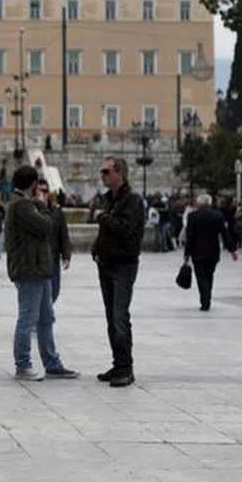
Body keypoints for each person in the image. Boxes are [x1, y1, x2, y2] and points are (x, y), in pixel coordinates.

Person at [5, 166, 78, 381]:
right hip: (30, 270)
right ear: (33, 184)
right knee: (28, 319)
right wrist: (44, 207)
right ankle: (23, 365)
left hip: (39, 269)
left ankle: (52, 362)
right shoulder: (23, 206)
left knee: (46, 318)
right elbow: (46, 226)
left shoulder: (24, 204)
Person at [92, 157, 146, 388]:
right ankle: (118, 363)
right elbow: (107, 232)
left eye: (106, 171)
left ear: (119, 173)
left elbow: (124, 228)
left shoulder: (132, 201)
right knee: (111, 318)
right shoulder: (109, 199)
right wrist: (96, 248)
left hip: (124, 265)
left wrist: (101, 217)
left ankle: (126, 368)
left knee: (120, 316)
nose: (103, 176)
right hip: (106, 263)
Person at [184, 193, 238, 311]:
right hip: (213, 251)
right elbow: (225, 234)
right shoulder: (218, 215)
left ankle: (205, 301)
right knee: (209, 275)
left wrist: (186, 253)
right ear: (210, 203)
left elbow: (190, 236)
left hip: (197, 251)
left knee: (201, 277)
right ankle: (207, 297)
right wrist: (232, 249)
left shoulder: (193, 216)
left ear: (199, 203)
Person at [39, 181, 71, 302]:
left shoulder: (57, 212)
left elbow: (63, 235)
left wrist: (66, 256)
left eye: (45, 191)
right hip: (37, 260)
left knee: (54, 291)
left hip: (53, 257)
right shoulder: (31, 211)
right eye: (40, 191)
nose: (42, 194)